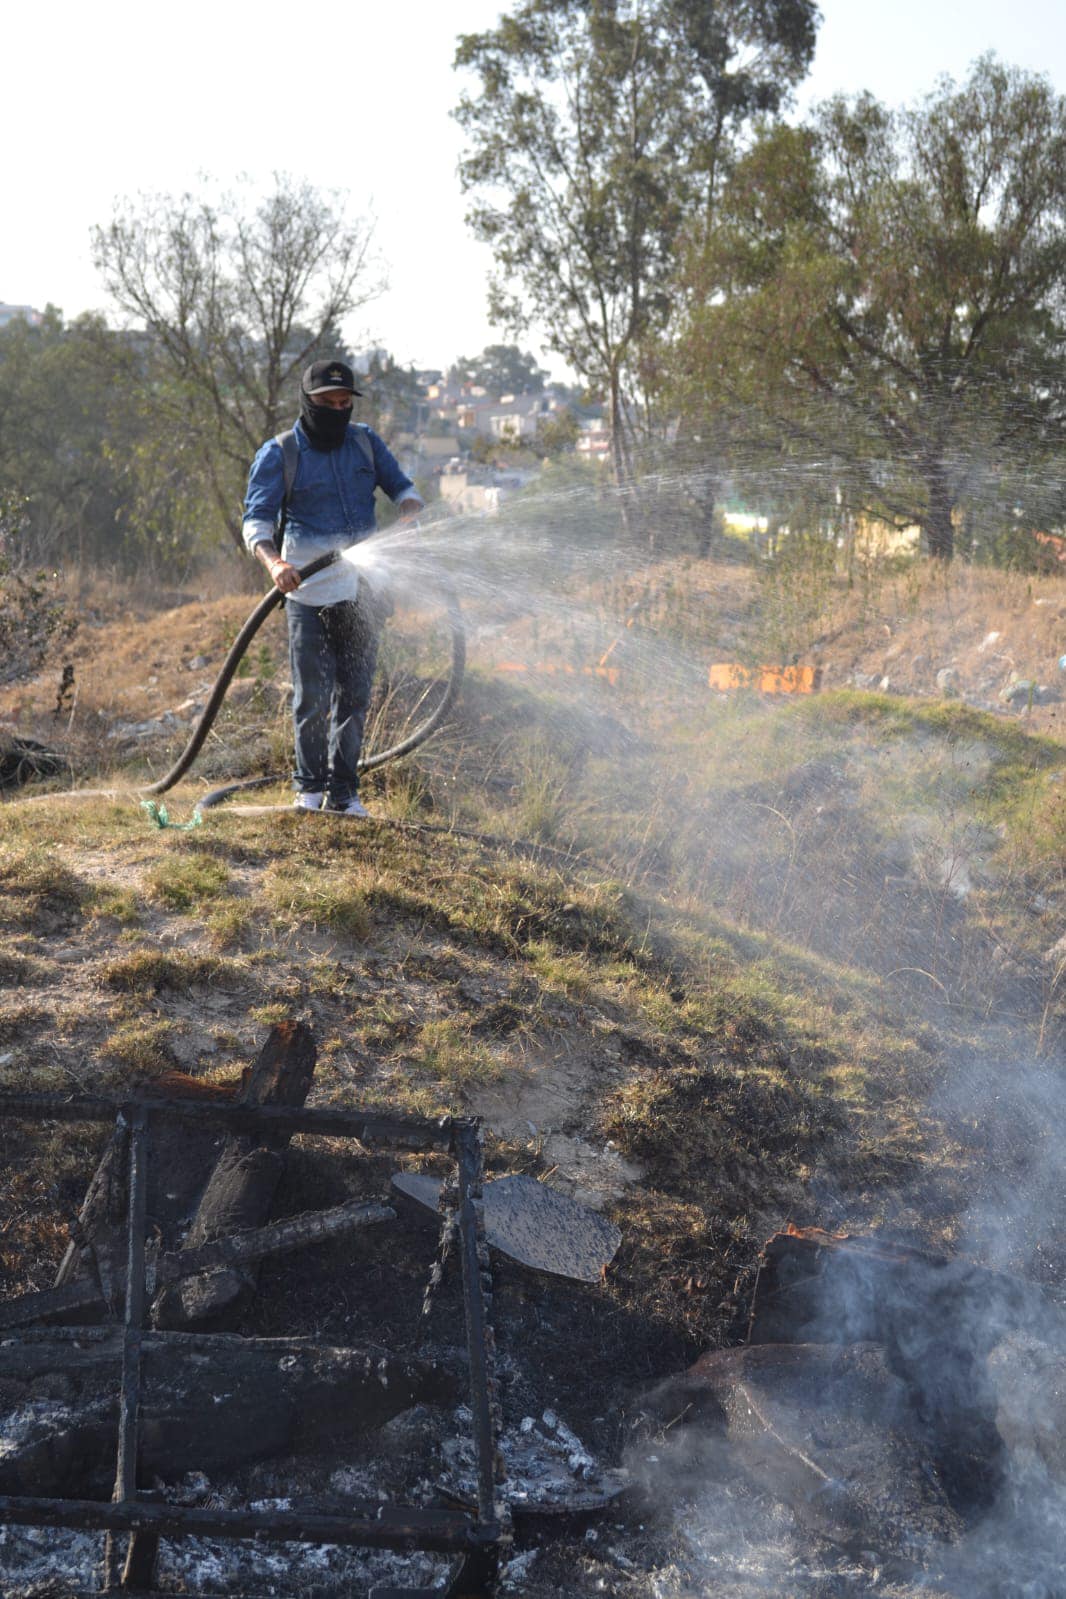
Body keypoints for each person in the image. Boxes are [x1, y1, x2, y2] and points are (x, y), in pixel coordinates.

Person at [242, 359, 424, 817]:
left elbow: (402, 487)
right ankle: (309, 791)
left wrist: (409, 507)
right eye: (328, 403)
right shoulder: (281, 452)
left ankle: (345, 793)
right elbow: (257, 521)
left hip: (364, 589)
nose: (338, 410)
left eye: (345, 403)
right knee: (312, 697)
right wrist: (275, 562)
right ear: (309, 402)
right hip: (307, 590)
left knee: (355, 694)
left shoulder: (364, 443)